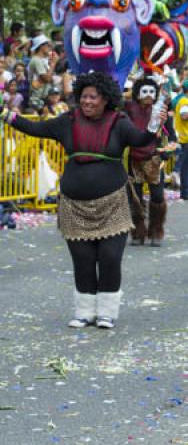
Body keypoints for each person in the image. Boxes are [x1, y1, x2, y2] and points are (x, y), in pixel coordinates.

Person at [3, 72, 167, 329]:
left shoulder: (119, 123)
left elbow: (141, 140)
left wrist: (155, 125)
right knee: (83, 260)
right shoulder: (67, 121)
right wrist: (7, 115)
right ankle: (84, 312)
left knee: (110, 258)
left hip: (112, 204)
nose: (87, 101)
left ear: (106, 100)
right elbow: (35, 128)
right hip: (73, 206)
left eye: (93, 97)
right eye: (84, 96)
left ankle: (106, 312)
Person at [125, 75, 176, 246]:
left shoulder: (161, 112)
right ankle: (138, 232)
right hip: (134, 159)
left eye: (151, 92)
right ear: (137, 94)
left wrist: (167, 150)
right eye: (144, 91)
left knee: (157, 196)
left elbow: (172, 137)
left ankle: (155, 231)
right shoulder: (129, 111)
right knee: (135, 198)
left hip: (154, 159)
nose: (148, 95)